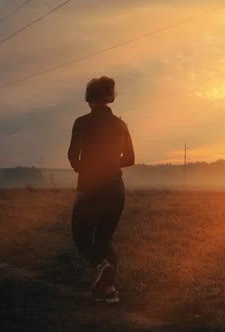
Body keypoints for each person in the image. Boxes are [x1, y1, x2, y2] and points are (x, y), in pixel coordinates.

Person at [67, 76, 135, 304]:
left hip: (90, 187)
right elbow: (130, 159)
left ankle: (102, 267)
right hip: (116, 189)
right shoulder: (121, 125)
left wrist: (84, 169)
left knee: (80, 236)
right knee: (104, 239)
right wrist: (112, 164)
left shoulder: (82, 122)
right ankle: (110, 291)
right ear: (110, 96)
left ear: (89, 97)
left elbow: (72, 156)